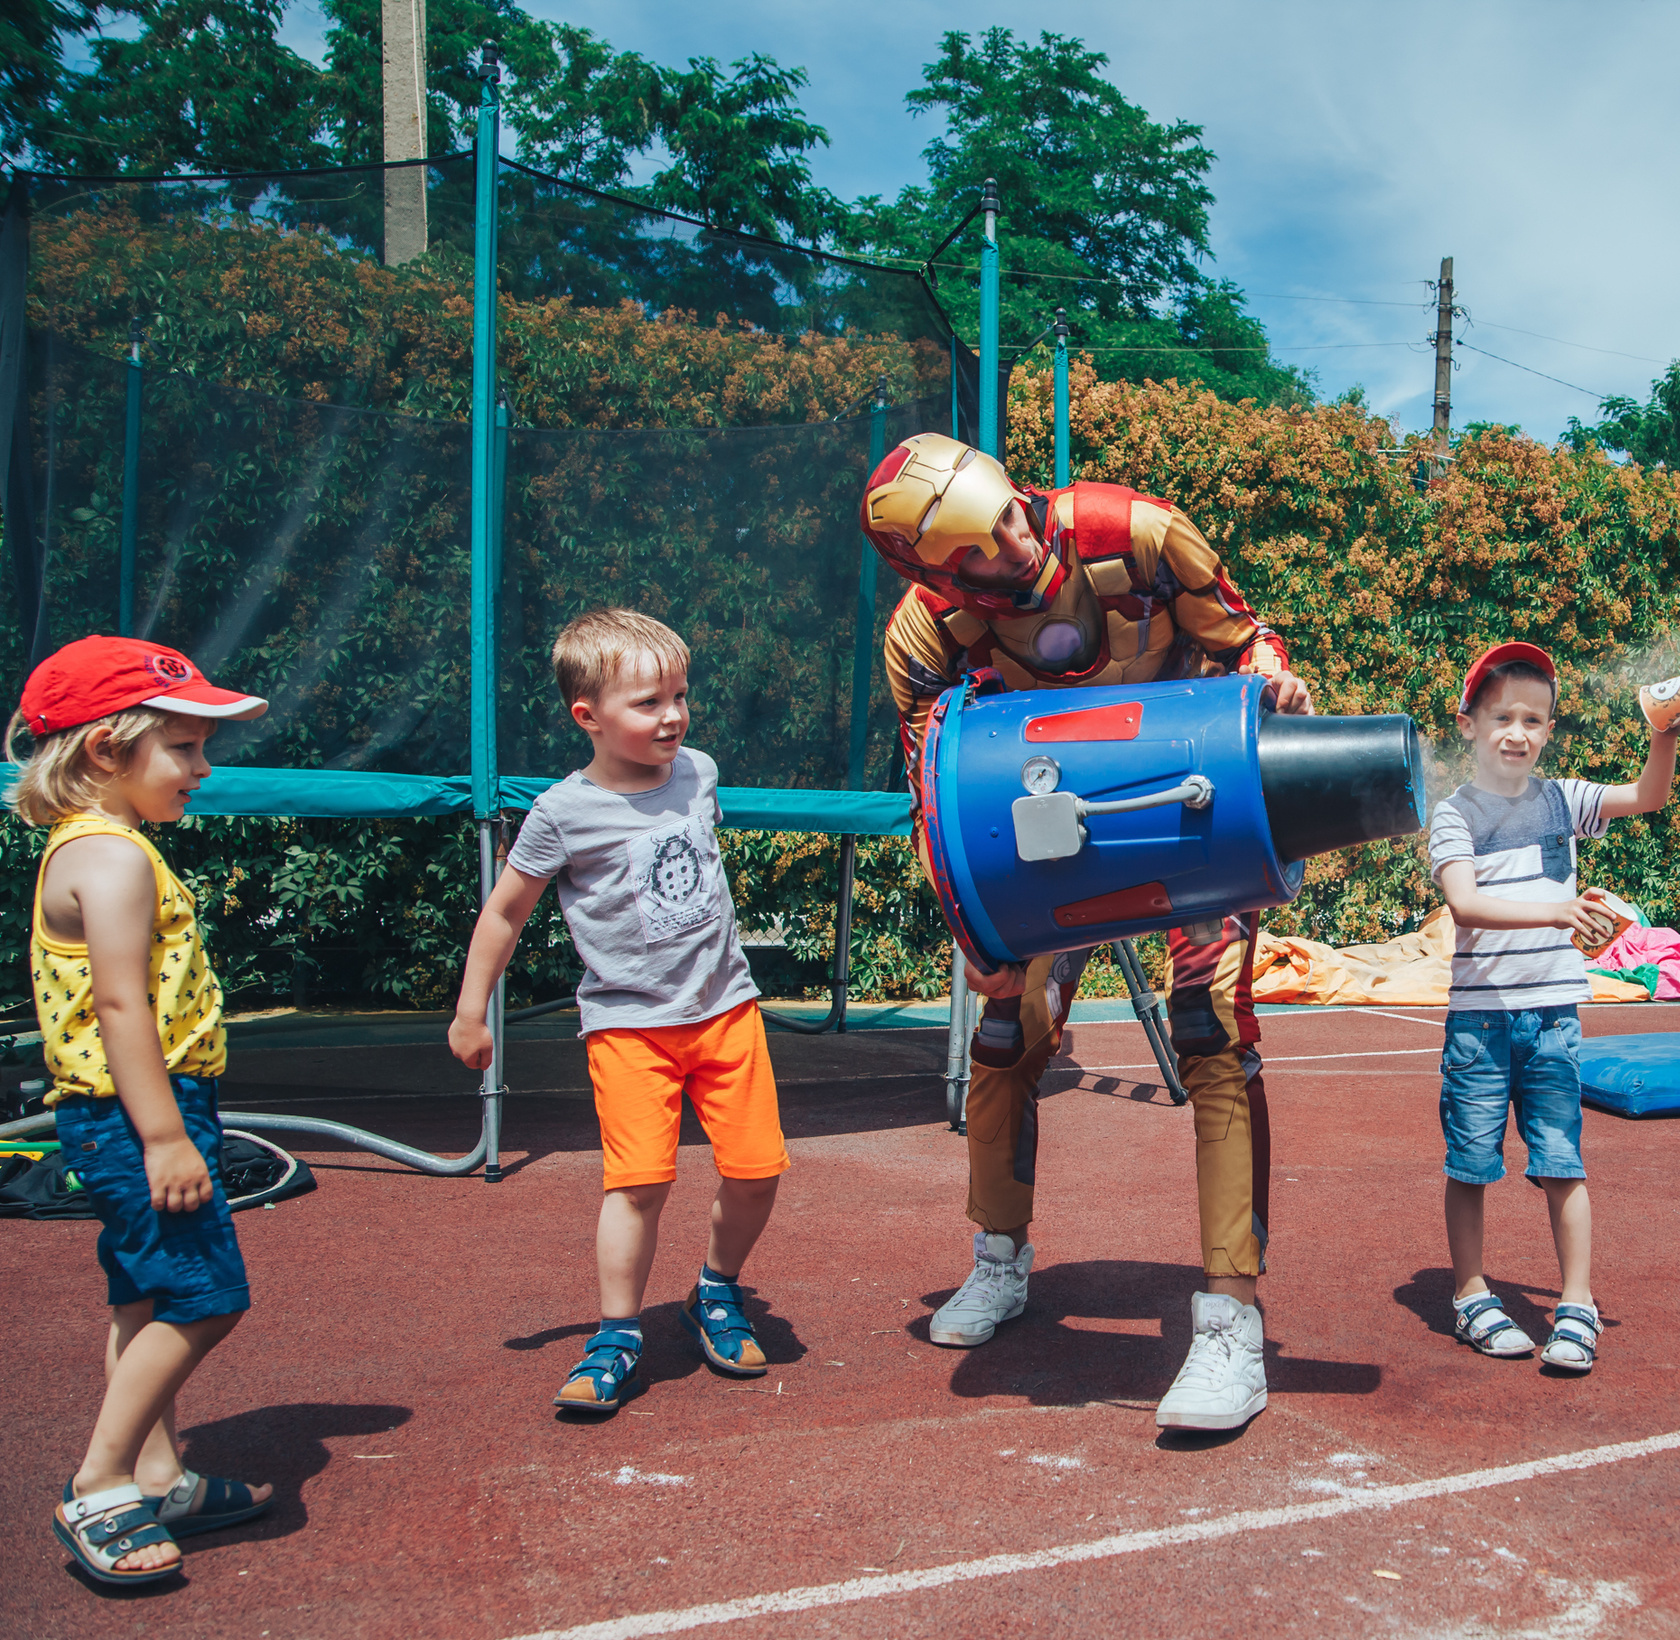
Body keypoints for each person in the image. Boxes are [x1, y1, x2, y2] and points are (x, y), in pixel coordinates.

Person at [862, 432, 1314, 1432]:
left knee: (1210, 1033)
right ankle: (998, 1258)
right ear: (936, 570)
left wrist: (1277, 682)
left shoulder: (1134, 533)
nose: (1013, 550)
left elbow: (1245, 640)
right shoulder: (926, 632)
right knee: (1002, 1033)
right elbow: (933, 794)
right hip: (1040, 846)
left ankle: (1231, 1320)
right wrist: (978, 938)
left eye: (1012, 520)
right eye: (981, 552)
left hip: (1185, 816)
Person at [448, 609, 786, 1415]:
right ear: (588, 716)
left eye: (679, 694)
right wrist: (471, 1011)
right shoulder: (562, 812)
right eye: (647, 702)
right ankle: (616, 1333)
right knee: (638, 1182)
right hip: (629, 1026)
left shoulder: (698, 772)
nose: (671, 715)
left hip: (726, 1010)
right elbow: (503, 912)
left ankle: (714, 1289)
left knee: (758, 1168)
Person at [13, 636, 276, 1585]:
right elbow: (121, 1005)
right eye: (184, 748)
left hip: (121, 1112)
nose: (202, 770)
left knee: (143, 1291)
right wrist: (166, 1134)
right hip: (140, 1116)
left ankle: (159, 1472)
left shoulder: (93, 847)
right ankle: (102, 1482)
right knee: (208, 1297)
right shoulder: (113, 861)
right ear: (105, 751)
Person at [1426, 642, 1680, 1374]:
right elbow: (1464, 901)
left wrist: (1664, 730)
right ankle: (1472, 1291)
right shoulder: (1455, 812)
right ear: (1468, 722)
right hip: (1480, 1024)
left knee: (1563, 1160)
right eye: (1502, 714)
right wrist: (1559, 914)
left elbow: (1649, 795)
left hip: (1554, 1020)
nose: (1517, 731)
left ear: (1547, 731)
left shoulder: (1563, 799)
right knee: (1472, 1163)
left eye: (1534, 719)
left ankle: (1577, 1303)